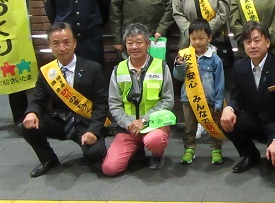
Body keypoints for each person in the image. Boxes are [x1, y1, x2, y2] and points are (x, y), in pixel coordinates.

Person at [20, 23, 108, 177]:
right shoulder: (47, 72)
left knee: (95, 153)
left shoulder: (93, 68)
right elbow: (38, 100)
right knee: (26, 127)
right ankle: (48, 159)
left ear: (75, 43)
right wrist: (32, 112)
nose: (62, 48)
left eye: (66, 42)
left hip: (84, 122)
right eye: (56, 43)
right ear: (50, 46)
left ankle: (93, 151)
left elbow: (101, 105)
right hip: (59, 121)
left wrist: (94, 131)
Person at [220, 21, 275, 173]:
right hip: (255, 121)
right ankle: (250, 154)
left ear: (268, 42)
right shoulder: (240, 66)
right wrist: (229, 108)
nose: (252, 46)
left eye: (257, 40)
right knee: (225, 120)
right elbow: (237, 97)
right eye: (248, 42)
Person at [103, 23, 175, 175]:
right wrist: (128, 123)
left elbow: (168, 100)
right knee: (110, 169)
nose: (134, 47)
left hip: (153, 125)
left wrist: (144, 120)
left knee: (155, 140)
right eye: (130, 43)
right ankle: (136, 150)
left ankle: (157, 155)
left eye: (138, 42)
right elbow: (114, 104)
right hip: (128, 127)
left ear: (148, 44)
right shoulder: (118, 70)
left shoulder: (161, 66)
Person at [173, 18, 225, 165]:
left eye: (201, 38)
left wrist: (219, 102)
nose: (197, 42)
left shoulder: (215, 59)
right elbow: (178, 76)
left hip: (210, 99)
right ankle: (189, 149)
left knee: (213, 125)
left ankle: (216, 149)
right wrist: (179, 65)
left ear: (209, 38)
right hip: (188, 99)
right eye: (193, 38)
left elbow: (220, 82)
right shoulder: (184, 56)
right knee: (189, 127)